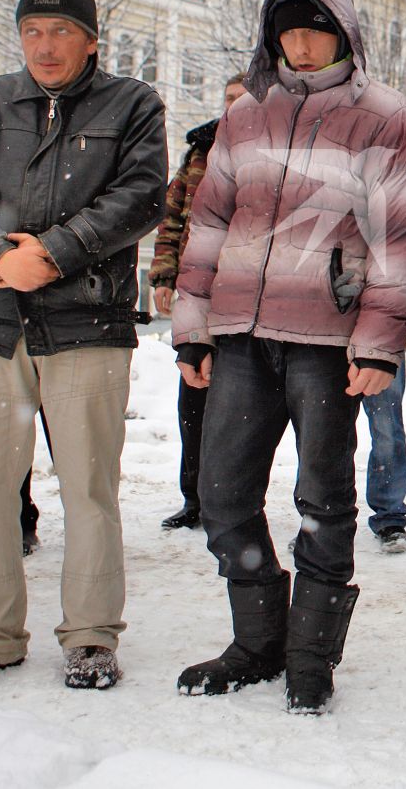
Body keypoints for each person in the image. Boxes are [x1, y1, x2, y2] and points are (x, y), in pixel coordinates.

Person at [170, 0, 406, 715]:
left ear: (343, 30)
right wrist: (194, 329)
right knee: (222, 493)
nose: (302, 42)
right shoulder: (245, 116)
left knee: (323, 498)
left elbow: (401, 239)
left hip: (325, 339)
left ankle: (311, 655)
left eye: (316, 26)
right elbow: (207, 222)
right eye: (289, 27)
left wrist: (380, 342)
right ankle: (258, 640)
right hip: (243, 336)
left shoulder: (387, 117)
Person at [0, 0, 167, 698]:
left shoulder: (132, 104)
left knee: (90, 486)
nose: (45, 45)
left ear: (91, 40)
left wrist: (53, 251)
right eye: (33, 30)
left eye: (61, 31)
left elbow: (140, 194)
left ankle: (92, 634)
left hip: (87, 320)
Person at [149, 73, 247, 532]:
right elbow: (173, 220)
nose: (233, 106)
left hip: (247, 299)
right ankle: (194, 498)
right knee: (194, 403)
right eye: (228, 98)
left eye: (242, 99)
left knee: (243, 410)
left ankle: (232, 501)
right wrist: (164, 275)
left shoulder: (269, 150)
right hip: (197, 294)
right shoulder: (199, 153)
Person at [361, 358, 406, 553]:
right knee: (322, 434)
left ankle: (389, 518)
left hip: (382, 344)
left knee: (388, 433)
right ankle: (318, 519)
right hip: (329, 340)